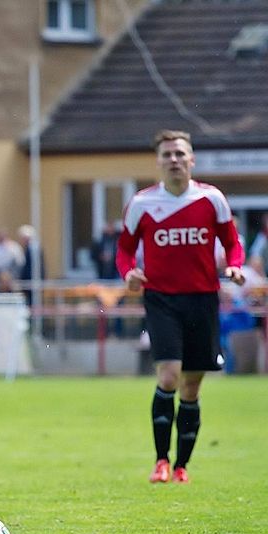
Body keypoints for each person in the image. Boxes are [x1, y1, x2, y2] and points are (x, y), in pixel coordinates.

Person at [116, 129, 245, 484]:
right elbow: (124, 249)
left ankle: (182, 466)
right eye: (167, 155)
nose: (173, 160)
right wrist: (129, 273)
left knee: (191, 387)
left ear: (191, 160)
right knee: (169, 376)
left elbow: (232, 242)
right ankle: (161, 461)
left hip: (202, 299)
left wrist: (234, 265)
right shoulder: (142, 204)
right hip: (161, 299)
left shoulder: (211, 199)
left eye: (179, 154)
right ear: (158, 162)